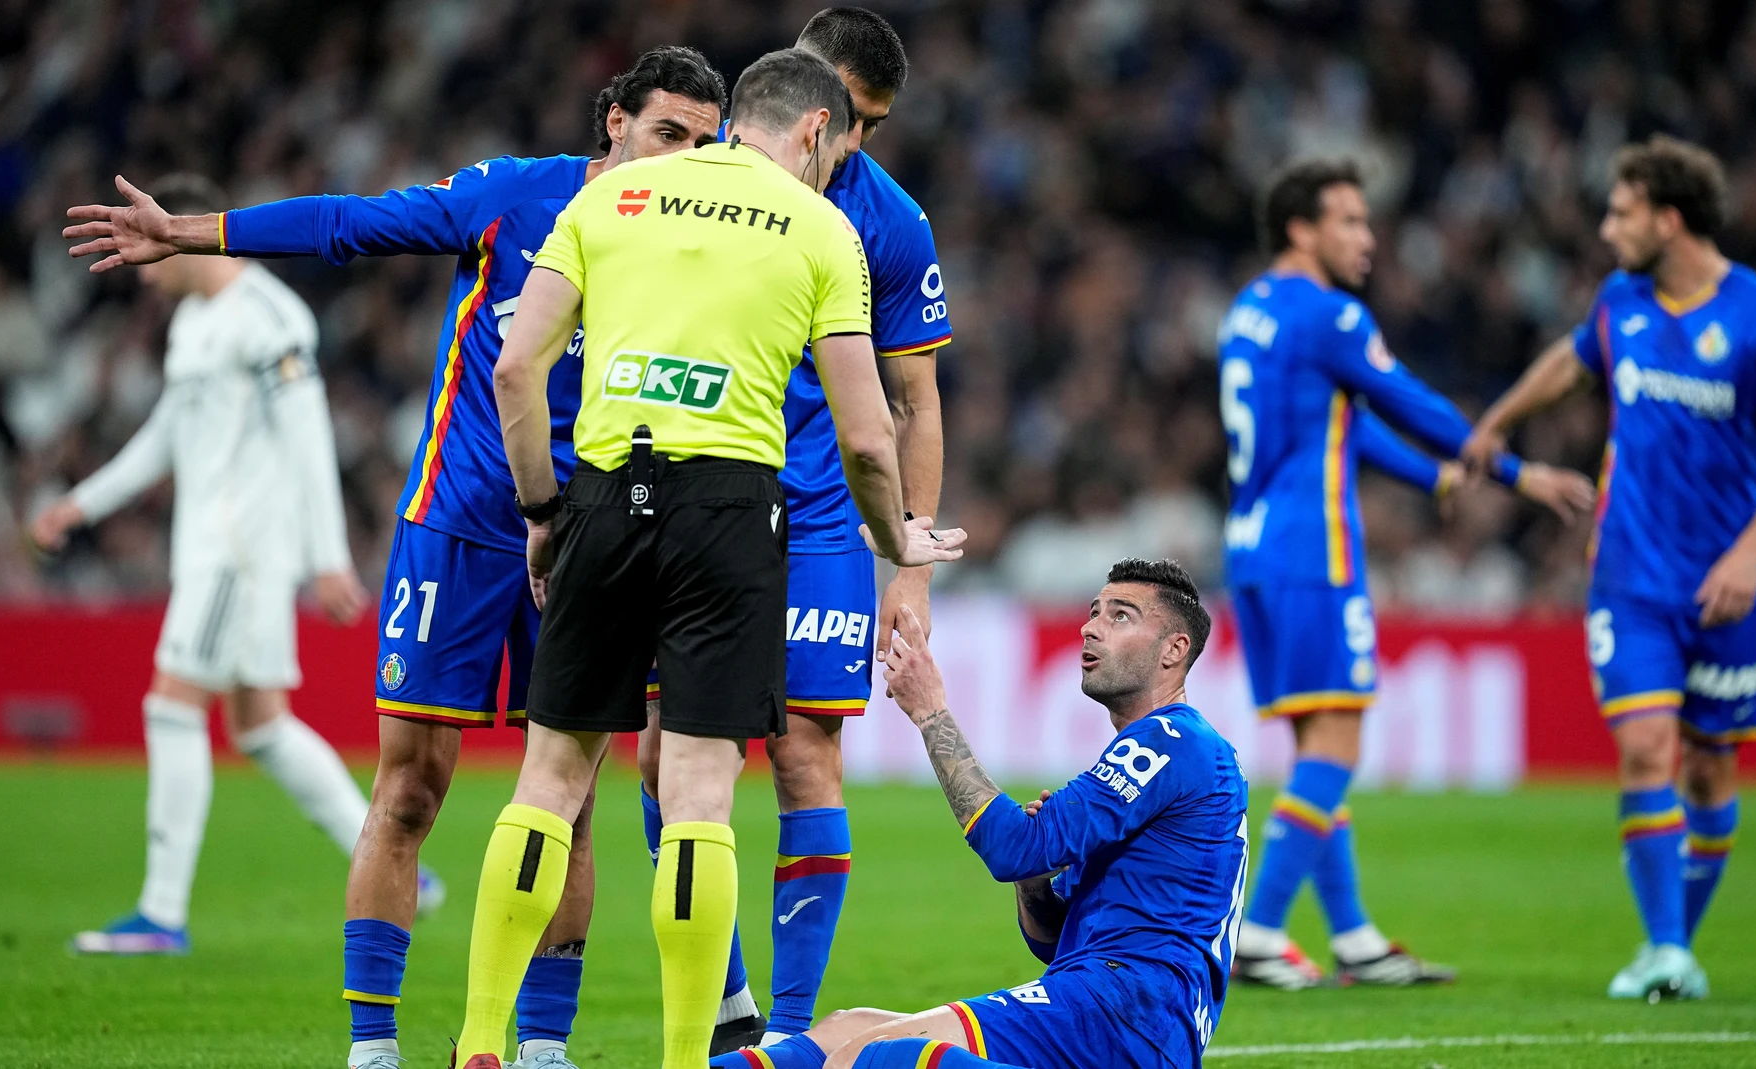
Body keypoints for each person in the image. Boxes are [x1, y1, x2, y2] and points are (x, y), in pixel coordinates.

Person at [61, 47, 731, 1069]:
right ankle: (373, 1047)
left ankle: (544, 1046)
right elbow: (352, 225)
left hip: (592, 537)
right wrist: (193, 231)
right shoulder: (513, 199)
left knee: (571, 801)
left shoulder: (699, 246)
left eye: (701, 142)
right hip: (460, 526)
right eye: (666, 132)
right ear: (613, 122)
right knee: (410, 788)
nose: (681, 156)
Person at [463, 48, 965, 1069]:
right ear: (816, 132)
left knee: (551, 779)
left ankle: (478, 1043)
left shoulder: (617, 193)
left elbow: (518, 367)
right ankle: (690, 1056)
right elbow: (871, 436)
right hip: (731, 511)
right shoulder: (822, 228)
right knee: (699, 791)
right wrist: (893, 537)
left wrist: (543, 509)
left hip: (603, 495)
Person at [633, 8, 954, 1053]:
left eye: (874, 126)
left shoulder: (889, 222)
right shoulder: (690, 174)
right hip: (691, 495)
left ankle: (800, 1035)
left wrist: (907, 564)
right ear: (799, 94)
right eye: (849, 116)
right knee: (661, 758)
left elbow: (915, 403)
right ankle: (727, 1011)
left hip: (820, 517)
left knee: (806, 752)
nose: (853, 143)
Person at [1216, 159, 1595, 990]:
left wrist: (1436, 479)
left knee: (1320, 742)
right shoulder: (1331, 314)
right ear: (1300, 229)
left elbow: (1339, 425)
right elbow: (1408, 402)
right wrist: (1511, 469)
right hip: (1315, 552)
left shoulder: (1249, 312)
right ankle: (1257, 929)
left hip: (1252, 549)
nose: (1368, 237)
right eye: (1349, 220)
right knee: (1340, 743)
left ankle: (1352, 936)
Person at [1461, 136, 1756, 1001]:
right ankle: (1664, 947)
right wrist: (1498, 420)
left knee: (1709, 767)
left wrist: (1748, 552)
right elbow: (1570, 363)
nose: (1605, 225)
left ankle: (1673, 947)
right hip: (1631, 578)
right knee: (1646, 745)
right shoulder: (1619, 301)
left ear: (1669, 218)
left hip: (1734, 585)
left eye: (1621, 211)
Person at [711, 558, 1248, 1069]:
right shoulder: (1150, 757)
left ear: (1174, 649)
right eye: (1094, 611)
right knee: (840, 1030)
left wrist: (929, 711)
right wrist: (1036, 884)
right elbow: (1052, 939)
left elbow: (1015, 847)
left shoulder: (1175, 740)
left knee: (867, 1057)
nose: (1091, 628)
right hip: (1102, 1001)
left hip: (1128, 1009)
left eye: (1120, 616)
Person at [33, 175, 372, 957]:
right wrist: (79, 504)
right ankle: (395, 860)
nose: (142, 268)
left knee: (171, 704)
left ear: (180, 229)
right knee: (261, 727)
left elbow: (309, 438)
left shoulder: (269, 316)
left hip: (239, 550)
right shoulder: (194, 320)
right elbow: (166, 433)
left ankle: (160, 914)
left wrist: (327, 558)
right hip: (213, 549)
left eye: (148, 248)